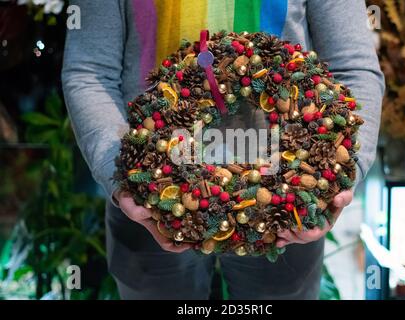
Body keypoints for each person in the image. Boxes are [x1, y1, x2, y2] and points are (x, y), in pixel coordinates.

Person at [62, 0, 384, 300]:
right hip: (153, 194)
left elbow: (352, 67)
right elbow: (90, 71)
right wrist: (121, 176)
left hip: (285, 205)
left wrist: (341, 175)